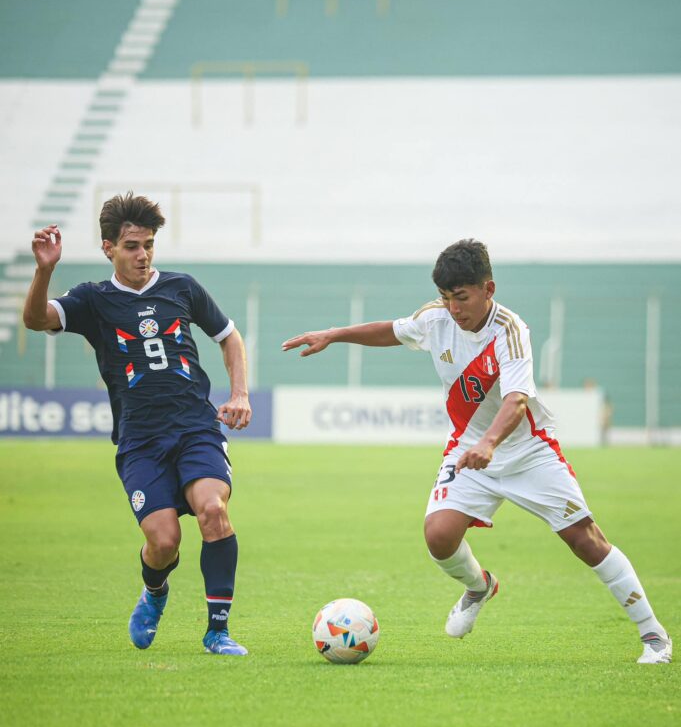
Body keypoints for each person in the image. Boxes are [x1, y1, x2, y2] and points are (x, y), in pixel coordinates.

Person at [282, 239, 671, 664]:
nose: (454, 308)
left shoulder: (510, 330)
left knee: (585, 539)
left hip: (527, 451)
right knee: (439, 536)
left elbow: (517, 399)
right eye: (447, 298)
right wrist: (334, 335)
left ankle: (654, 636)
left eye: (462, 297)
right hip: (469, 451)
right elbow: (391, 331)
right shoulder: (435, 318)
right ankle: (479, 586)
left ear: (489, 288)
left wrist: (491, 443)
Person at [24, 193, 252, 656]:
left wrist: (240, 394)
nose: (143, 254)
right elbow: (35, 319)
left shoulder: (182, 287)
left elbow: (229, 337)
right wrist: (45, 269)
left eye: (148, 243)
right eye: (131, 245)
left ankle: (218, 631)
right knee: (163, 541)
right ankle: (155, 591)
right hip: (140, 442)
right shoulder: (92, 299)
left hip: (195, 428)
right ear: (108, 248)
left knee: (213, 510)